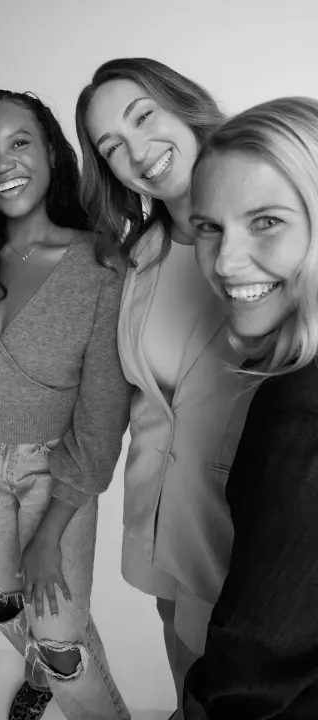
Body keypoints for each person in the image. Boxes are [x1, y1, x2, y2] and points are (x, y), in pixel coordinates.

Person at [0, 90, 132, 720]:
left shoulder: (100, 264)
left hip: (58, 471)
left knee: (63, 648)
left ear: (50, 152)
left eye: (19, 143)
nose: (3, 164)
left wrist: (49, 535)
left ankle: (57, 673)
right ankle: (39, 673)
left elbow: (102, 418)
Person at [75, 58, 253, 718]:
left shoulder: (276, 223)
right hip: (164, 540)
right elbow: (139, 404)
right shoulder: (137, 259)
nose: (137, 151)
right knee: (191, 693)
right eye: (111, 147)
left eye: (143, 116)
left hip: (254, 544)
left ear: (184, 104)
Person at [182, 96, 318, 719]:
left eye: (265, 221)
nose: (225, 262)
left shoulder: (300, 413)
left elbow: (254, 678)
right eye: (208, 227)